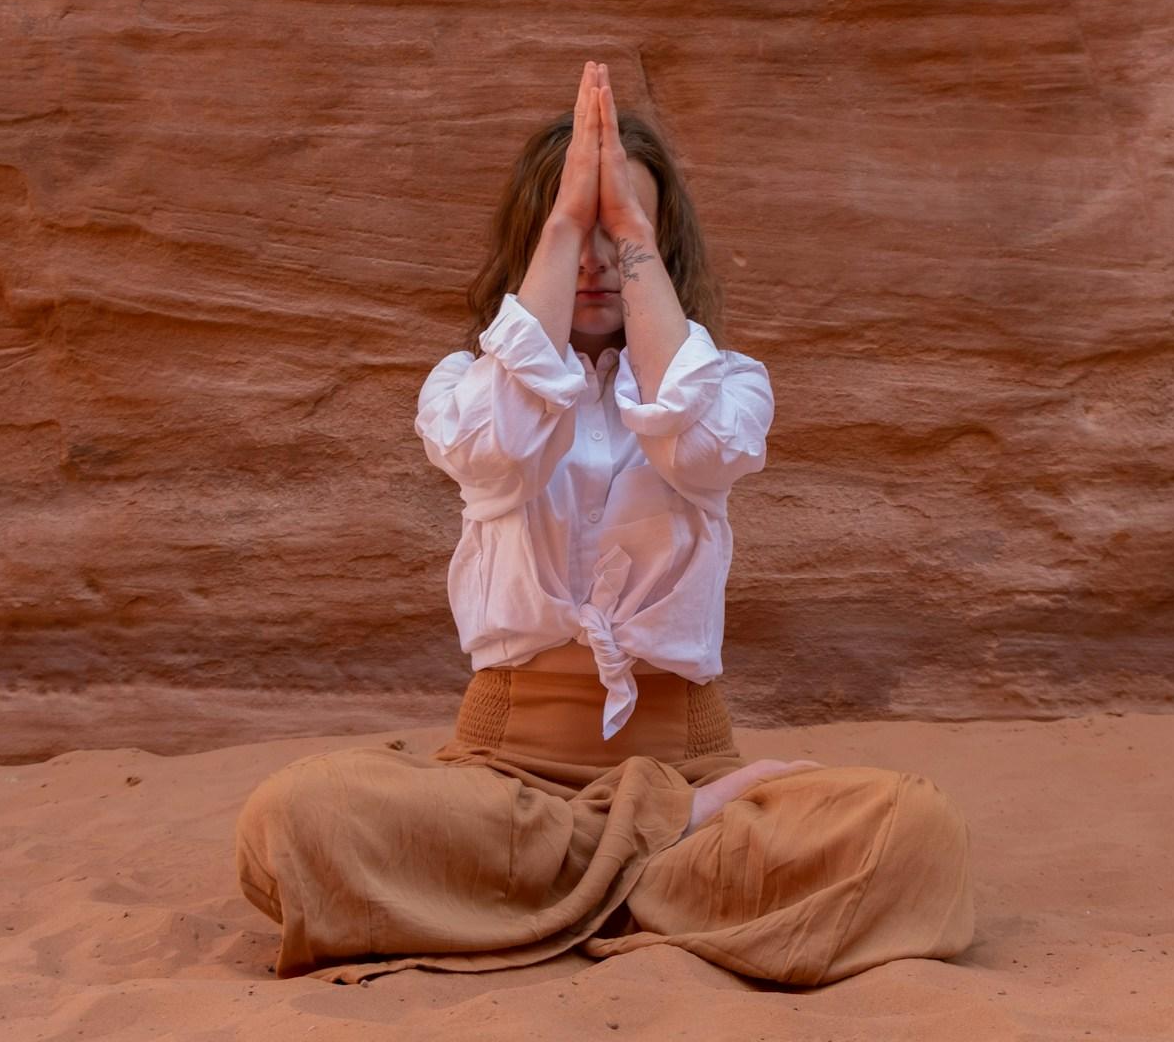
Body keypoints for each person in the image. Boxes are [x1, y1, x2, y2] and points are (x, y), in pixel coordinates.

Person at [233, 61, 975, 986]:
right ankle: (650, 868)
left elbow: (694, 443)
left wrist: (629, 232)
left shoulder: (729, 384)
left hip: (689, 770)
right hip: (502, 783)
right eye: (570, 231)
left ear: (660, 244)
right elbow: (501, 449)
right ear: (532, 242)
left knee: (917, 832)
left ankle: (573, 878)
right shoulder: (461, 388)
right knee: (293, 821)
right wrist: (564, 221)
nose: (593, 260)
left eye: (620, 230)